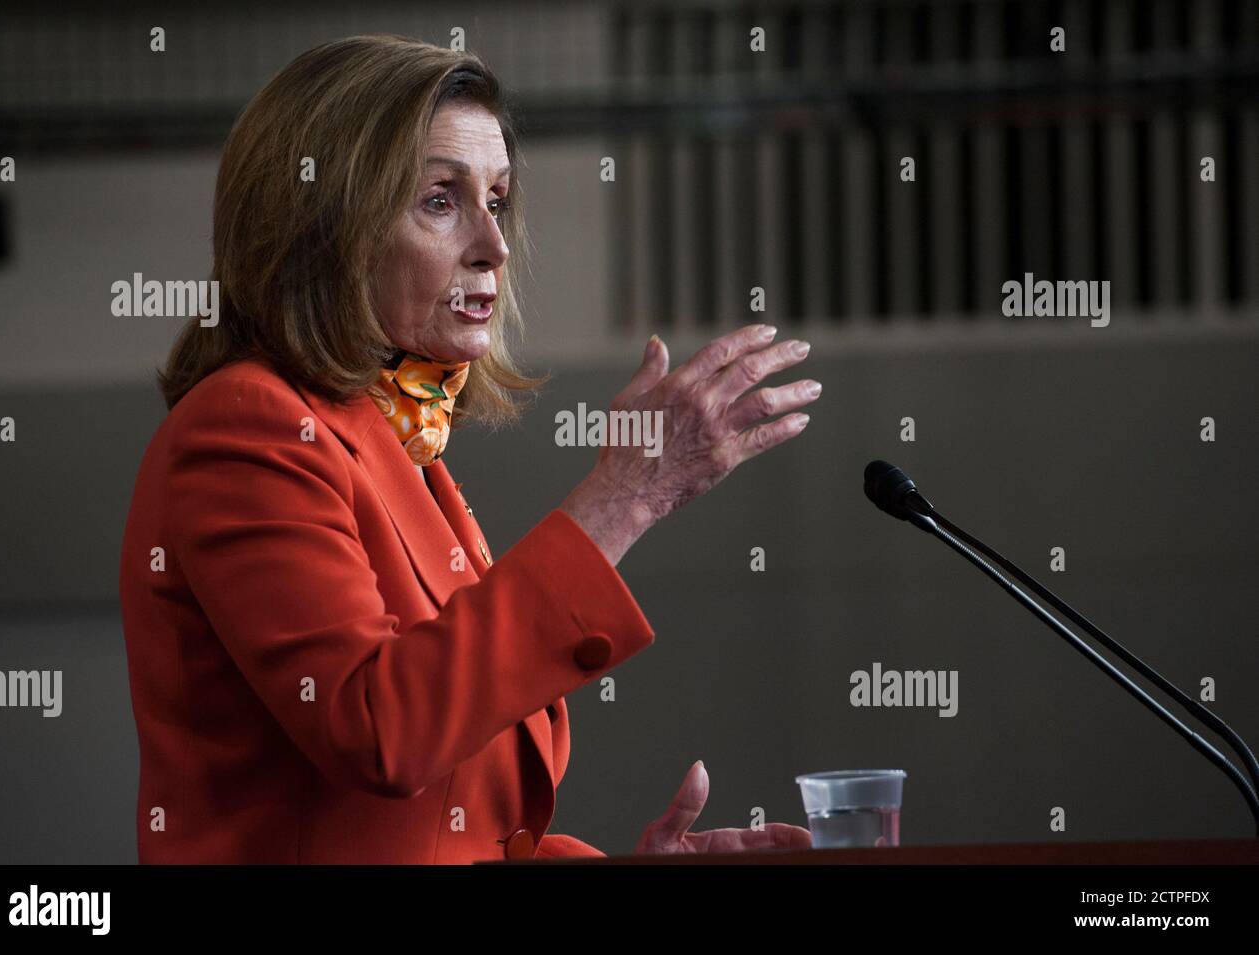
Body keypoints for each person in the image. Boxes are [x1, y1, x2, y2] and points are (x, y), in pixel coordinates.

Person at [119, 34, 820, 863]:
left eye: (498, 197)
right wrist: (626, 495)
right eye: (442, 200)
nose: (495, 243)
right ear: (320, 229)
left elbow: (463, 834)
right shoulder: (244, 426)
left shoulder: (400, 445)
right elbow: (381, 729)